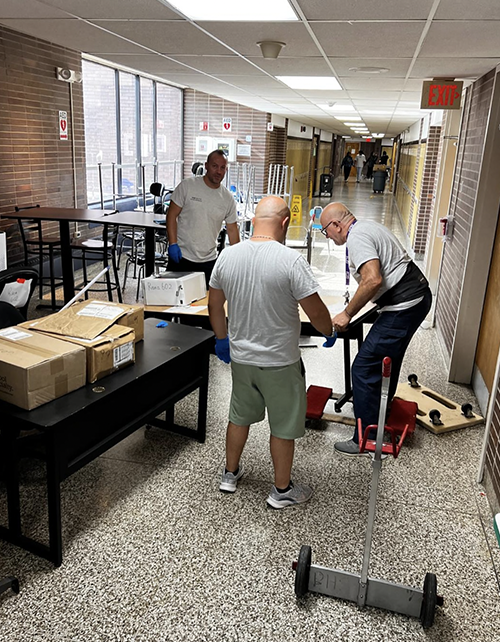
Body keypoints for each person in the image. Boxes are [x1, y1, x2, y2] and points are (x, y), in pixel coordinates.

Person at [208, 196, 335, 508]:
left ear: (253, 219)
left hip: (241, 359)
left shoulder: (228, 256)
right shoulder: (290, 261)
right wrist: (329, 330)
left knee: (238, 416)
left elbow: (214, 304)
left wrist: (222, 339)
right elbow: (316, 311)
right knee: (282, 426)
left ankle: (230, 473)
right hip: (279, 361)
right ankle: (281, 490)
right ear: (285, 222)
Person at [319, 202, 432, 457]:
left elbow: (373, 279)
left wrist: (348, 314)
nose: (328, 236)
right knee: (386, 361)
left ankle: (368, 439)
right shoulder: (367, 227)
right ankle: (381, 412)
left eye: (326, 230)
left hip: (404, 303)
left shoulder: (357, 238)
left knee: (363, 367)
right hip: (415, 296)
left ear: (337, 225)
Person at [166, 149, 240, 287]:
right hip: (182, 256)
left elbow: (232, 229)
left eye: (222, 168)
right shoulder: (188, 186)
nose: (218, 171)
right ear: (206, 166)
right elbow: (171, 215)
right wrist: (172, 243)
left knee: (204, 304)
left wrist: (238, 258)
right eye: (214, 166)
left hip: (208, 261)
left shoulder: (227, 198)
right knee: (173, 303)